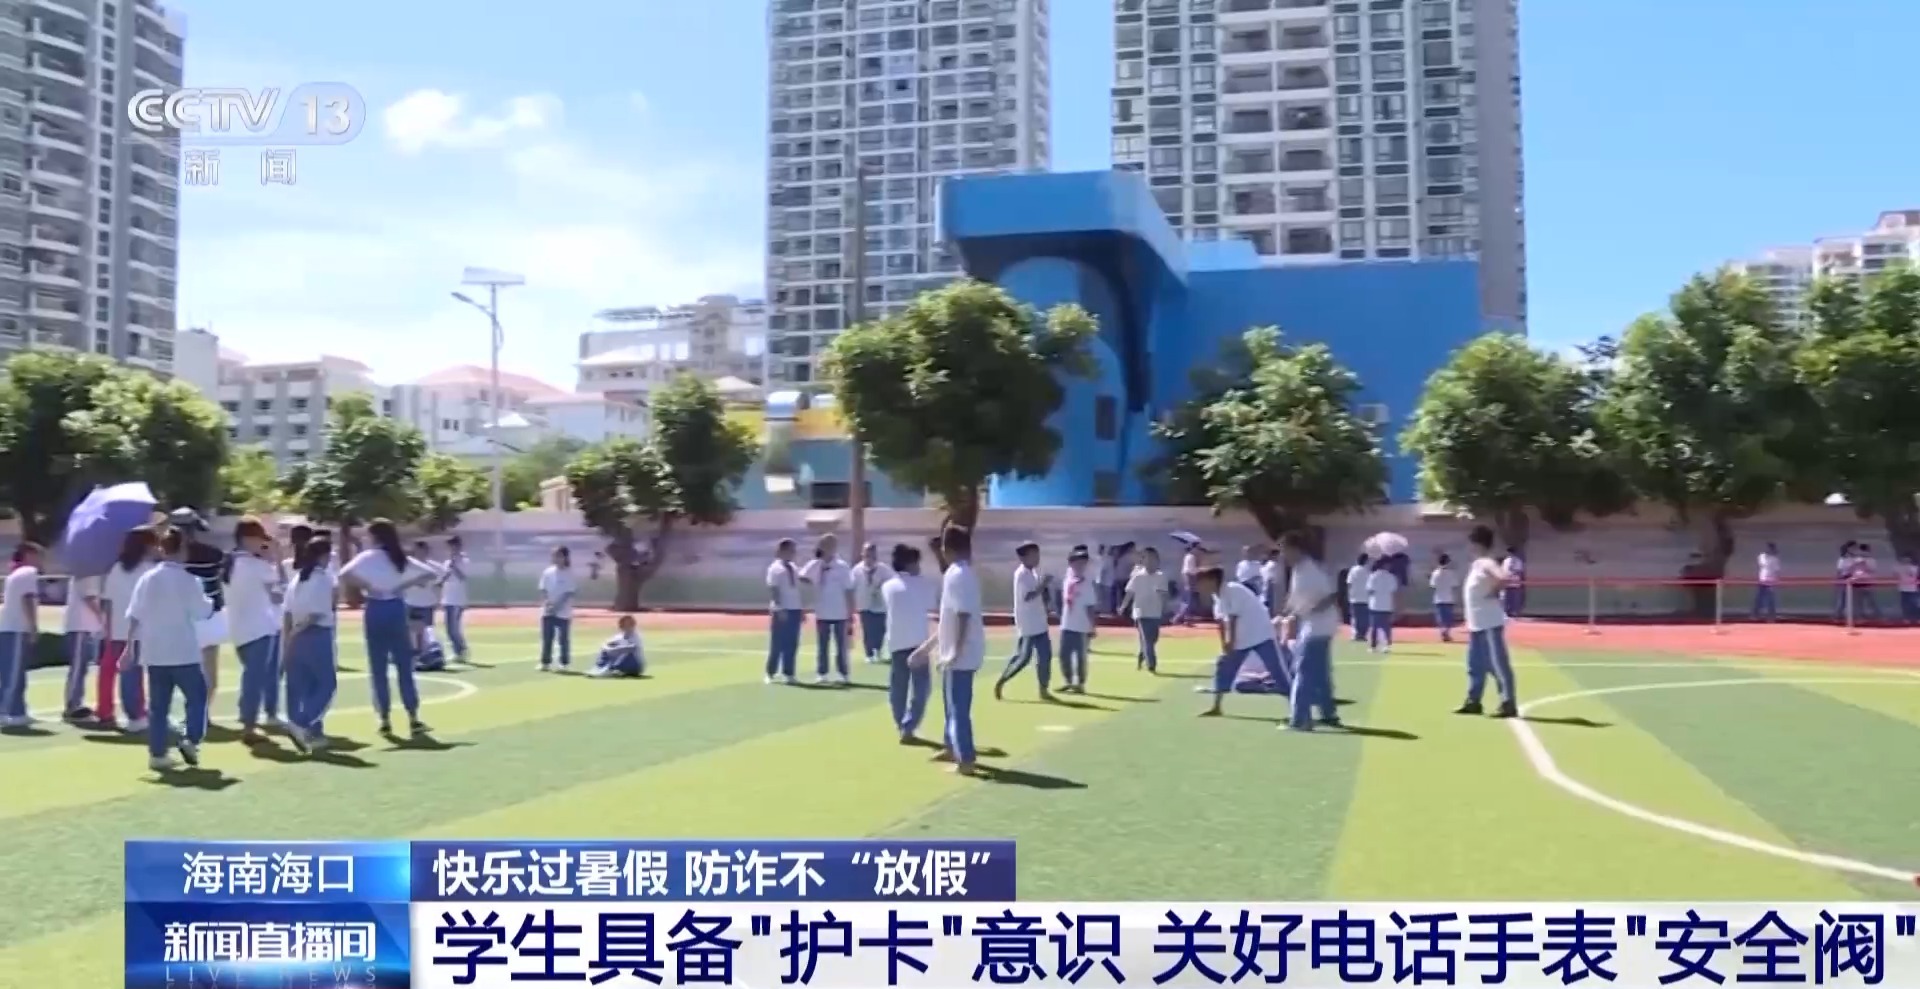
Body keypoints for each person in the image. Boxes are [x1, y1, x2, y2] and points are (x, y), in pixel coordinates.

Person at [338, 519, 438, 736]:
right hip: (396, 607)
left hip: (375, 607)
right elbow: (430, 573)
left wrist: (369, 586)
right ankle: (413, 717)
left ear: (374, 536)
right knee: (404, 665)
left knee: (378, 666)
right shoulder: (399, 557)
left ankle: (384, 718)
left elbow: (344, 573)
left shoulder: (368, 556)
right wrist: (402, 585)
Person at [127, 528, 214, 771]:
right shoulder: (189, 580)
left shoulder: (147, 578)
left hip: (155, 650)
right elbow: (202, 611)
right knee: (197, 697)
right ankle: (191, 739)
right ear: (183, 549)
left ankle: (157, 753)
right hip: (182, 649)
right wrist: (210, 602)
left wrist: (129, 648)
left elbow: (135, 614)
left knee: (158, 707)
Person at [1195, 566, 1293, 719]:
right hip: (1242, 639)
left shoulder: (1233, 590)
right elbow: (1221, 622)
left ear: (1212, 580)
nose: (1198, 587)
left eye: (1201, 582)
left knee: (1278, 671)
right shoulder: (1217, 597)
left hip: (1261, 635)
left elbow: (1232, 619)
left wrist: (1230, 641)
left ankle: (1296, 709)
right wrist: (1224, 645)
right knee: (1223, 666)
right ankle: (1216, 706)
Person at [226, 517, 285, 742]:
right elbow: (278, 594)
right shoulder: (257, 566)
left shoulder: (229, 563)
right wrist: (275, 559)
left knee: (253, 675)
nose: (262, 544)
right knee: (256, 678)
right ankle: (249, 724)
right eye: (259, 539)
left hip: (238, 627)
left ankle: (250, 717)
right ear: (247, 539)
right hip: (260, 626)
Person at [1275, 531, 1342, 731]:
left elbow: (1331, 595)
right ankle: (1328, 713)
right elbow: (1294, 598)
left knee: (1303, 671)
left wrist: (1311, 610)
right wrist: (1285, 613)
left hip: (1318, 627)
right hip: (1315, 625)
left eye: (1283, 550)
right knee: (1320, 672)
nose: (1282, 555)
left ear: (1294, 549)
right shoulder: (1299, 569)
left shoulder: (1310, 570)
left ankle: (1300, 719)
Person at [169, 509, 227, 727]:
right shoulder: (213, 553)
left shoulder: (167, 558)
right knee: (208, 670)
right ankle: (202, 714)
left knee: (182, 670)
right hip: (209, 616)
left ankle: (191, 713)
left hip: (180, 618)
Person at [934, 524, 983, 775]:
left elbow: (963, 615)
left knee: (958, 708)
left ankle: (966, 758)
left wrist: (955, 650)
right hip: (955, 650)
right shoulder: (962, 573)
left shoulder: (958, 575)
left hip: (961, 653)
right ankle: (952, 746)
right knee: (951, 704)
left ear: (947, 549)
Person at [281, 534, 337, 754]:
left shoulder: (298, 578)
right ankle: (302, 724)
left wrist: (288, 638)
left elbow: (287, 612)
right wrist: (297, 631)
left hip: (297, 636)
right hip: (315, 634)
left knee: (302, 687)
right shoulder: (323, 579)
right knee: (326, 685)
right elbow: (316, 614)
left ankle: (312, 732)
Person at [1457, 524, 1519, 718]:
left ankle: (1508, 702)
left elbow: (1504, 577)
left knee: (1498, 664)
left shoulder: (1486, 562)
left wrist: (1494, 591)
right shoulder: (1477, 565)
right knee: (1475, 665)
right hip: (1476, 624)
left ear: (1477, 544)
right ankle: (1473, 701)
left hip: (1489, 623)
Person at [100, 527, 157, 732]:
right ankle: (137, 715)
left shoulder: (117, 569)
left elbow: (107, 602)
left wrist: (108, 628)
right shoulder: (150, 570)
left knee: (129, 674)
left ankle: (136, 713)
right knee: (137, 674)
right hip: (141, 629)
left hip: (118, 629)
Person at [881, 543, 936, 742]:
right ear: (910, 563)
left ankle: (902, 725)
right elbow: (931, 603)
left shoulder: (888, 585)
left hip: (897, 643)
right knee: (921, 689)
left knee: (898, 688)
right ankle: (909, 724)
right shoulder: (922, 584)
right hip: (919, 645)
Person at [994, 542, 1054, 701]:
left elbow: (1037, 595)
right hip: (1028, 625)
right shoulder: (1021, 574)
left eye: (1038, 555)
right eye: (1034, 555)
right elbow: (1028, 596)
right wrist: (1043, 584)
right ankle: (1003, 680)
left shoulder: (1033, 573)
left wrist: (1045, 597)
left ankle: (1043, 689)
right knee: (1023, 658)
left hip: (1040, 622)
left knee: (1045, 656)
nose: (1037, 558)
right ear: (1024, 557)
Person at [0, 542, 44, 729]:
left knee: (15, 673)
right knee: (13, 674)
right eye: (37, 555)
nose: (40, 560)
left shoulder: (16, 574)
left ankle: (17, 710)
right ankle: (7, 712)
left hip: (12, 628)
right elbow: (27, 599)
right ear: (28, 555)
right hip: (16, 629)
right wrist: (33, 627)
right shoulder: (27, 573)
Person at [799, 534, 855, 684]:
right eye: (825, 544)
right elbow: (802, 577)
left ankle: (843, 673)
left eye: (831, 545)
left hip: (839, 611)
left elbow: (849, 589)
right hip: (822, 611)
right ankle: (822, 673)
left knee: (841, 645)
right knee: (822, 645)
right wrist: (812, 582)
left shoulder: (842, 566)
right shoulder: (815, 564)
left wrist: (850, 612)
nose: (828, 548)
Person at [60, 570, 105, 722]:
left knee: (81, 667)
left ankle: (75, 702)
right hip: (80, 626)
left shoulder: (88, 573)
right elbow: (89, 597)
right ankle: (72, 705)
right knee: (78, 667)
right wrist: (103, 617)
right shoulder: (87, 573)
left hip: (84, 626)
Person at [1121, 547, 1169, 674]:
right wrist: (1123, 606)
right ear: (1143, 561)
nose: (1150, 562)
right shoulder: (1137, 576)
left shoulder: (1161, 576)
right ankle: (1151, 664)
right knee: (1147, 639)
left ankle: (1142, 654)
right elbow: (1129, 593)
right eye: (1148, 558)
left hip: (1155, 612)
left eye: (1153, 559)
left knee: (1152, 639)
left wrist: (1165, 607)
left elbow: (1164, 594)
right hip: (1140, 611)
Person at [764, 539, 803, 685]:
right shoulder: (775, 568)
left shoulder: (793, 567)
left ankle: (789, 672)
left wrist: (800, 609)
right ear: (782, 551)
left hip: (794, 608)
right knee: (777, 643)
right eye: (791, 550)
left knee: (792, 643)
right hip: (781, 609)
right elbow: (774, 589)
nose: (793, 553)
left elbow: (796, 589)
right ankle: (771, 672)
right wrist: (779, 608)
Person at [1057, 549, 1096, 694]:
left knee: (1080, 657)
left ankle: (1080, 683)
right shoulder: (1068, 579)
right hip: (1067, 624)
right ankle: (1068, 681)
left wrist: (1092, 626)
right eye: (1077, 563)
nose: (1080, 566)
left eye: (1083, 563)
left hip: (1081, 626)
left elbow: (1090, 607)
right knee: (1064, 655)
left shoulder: (1087, 584)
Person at [849, 543, 893, 665]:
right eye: (866, 553)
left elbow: (893, 581)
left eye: (871, 553)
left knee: (880, 630)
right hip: (864, 604)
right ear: (863, 554)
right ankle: (869, 654)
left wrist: (882, 586)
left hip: (880, 605)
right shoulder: (857, 570)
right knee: (868, 630)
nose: (868, 556)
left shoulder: (883, 569)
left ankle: (877, 651)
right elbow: (851, 586)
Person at [536, 547, 578, 671]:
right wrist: (548, 603)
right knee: (547, 638)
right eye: (554, 556)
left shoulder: (570, 573)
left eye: (559, 556)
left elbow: (569, 592)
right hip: (548, 611)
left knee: (563, 639)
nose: (556, 558)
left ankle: (564, 663)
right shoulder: (548, 572)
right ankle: (545, 662)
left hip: (563, 612)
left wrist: (557, 606)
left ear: (565, 557)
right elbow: (543, 589)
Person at [405, 541, 444, 657]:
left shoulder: (433, 566)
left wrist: (438, 596)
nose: (420, 553)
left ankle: (428, 652)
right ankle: (414, 652)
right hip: (411, 601)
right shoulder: (409, 565)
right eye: (418, 550)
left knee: (426, 629)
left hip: (427, 602)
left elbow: (441, 579)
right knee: (411, 629)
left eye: (423, 550)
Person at [440, 535, 470, 663]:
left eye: (453, 546)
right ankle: (458, 650)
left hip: (457, 600)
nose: (451, 549)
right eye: (450, 547)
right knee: (449, 628)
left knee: (453, 628)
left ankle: (461, 651)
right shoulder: (447, 562)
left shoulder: (464, 561)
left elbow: (463, 577)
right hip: (448, 598)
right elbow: (444, 578)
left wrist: (454, 567)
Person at [1366, 556, 1400, 653]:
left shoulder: (1373, 576)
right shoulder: (1391, 577)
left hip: (1375, 604)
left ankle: (1373, 646)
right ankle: (1386, 646)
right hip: (1387, 605)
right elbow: (1393, 592)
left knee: (1374, 627)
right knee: (1386, 627)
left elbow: (1370, 590)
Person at [1430, 553, 1461, 643]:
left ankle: (1443, 631)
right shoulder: (1451, 573)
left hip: (1439, 598)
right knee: (1448, 617)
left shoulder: (1435, 573)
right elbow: (1455, 585)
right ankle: (1446, 632)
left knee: (1441, 617)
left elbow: (1432, 585)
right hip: (1449, 598)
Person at [1848, 544, 1883, 622]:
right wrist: (1855, 563)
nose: (1863, 553)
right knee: (1858, 602)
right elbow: (1849, 569)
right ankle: (1860, 617)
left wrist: (1865, 563)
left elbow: (1873, 569)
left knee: (1872, 601)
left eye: (1865, 551)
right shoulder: (1855, 560)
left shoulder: (1871, 560)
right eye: (1861, 551)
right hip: (1857, 583)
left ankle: (1878, 616)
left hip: (1868, 583)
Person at [1344, 553, 1371, 642]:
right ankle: (1363, 634)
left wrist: (1348, 594)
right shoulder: (1367, 571)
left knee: (1355, 617)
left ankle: (1356, 634)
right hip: (1365, 598)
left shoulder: (1353, 570)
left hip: (1354, 597)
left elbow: (1349, 583)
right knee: (1364, 618)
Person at [1752, 541, 1781, 622]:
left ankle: (1771, 617)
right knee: (1759, 599)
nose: (1768, 549)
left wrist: (1776, 580)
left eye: (1770, 548)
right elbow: (1762, 564)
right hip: (1762, 580)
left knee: (1770, 600)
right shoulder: (1762, 556)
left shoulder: (1775, 559)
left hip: (1771, 581)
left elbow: (1777, 570)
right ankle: (1755, 615)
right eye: (1768, 548)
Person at [1501, 546, 1527, 617]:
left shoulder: (1517, 561)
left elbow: (1519, 572)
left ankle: (1513, 612)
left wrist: (1513, 574)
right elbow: (1503, 571)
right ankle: (1507, 611)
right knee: (1506, 598)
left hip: (1514, 582)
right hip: (1507, 582)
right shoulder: (1506, 561)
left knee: (1514, 598)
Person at [1258, 548, 1283, 614]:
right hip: (1270, 589)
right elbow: (1270, 578)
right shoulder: (1273, 565)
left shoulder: (1265, 565)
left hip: (1266, 589)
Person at [1898, 554, 1920, 625]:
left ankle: (1917, 618)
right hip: (1903, 589)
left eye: (1907, 560)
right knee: (1905, 605)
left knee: (1914, 604)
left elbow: (1916, 576)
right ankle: (1907, 618)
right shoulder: (1900, 568)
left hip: (1912, 589)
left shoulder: (1914, 568)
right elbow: (1895, 574)